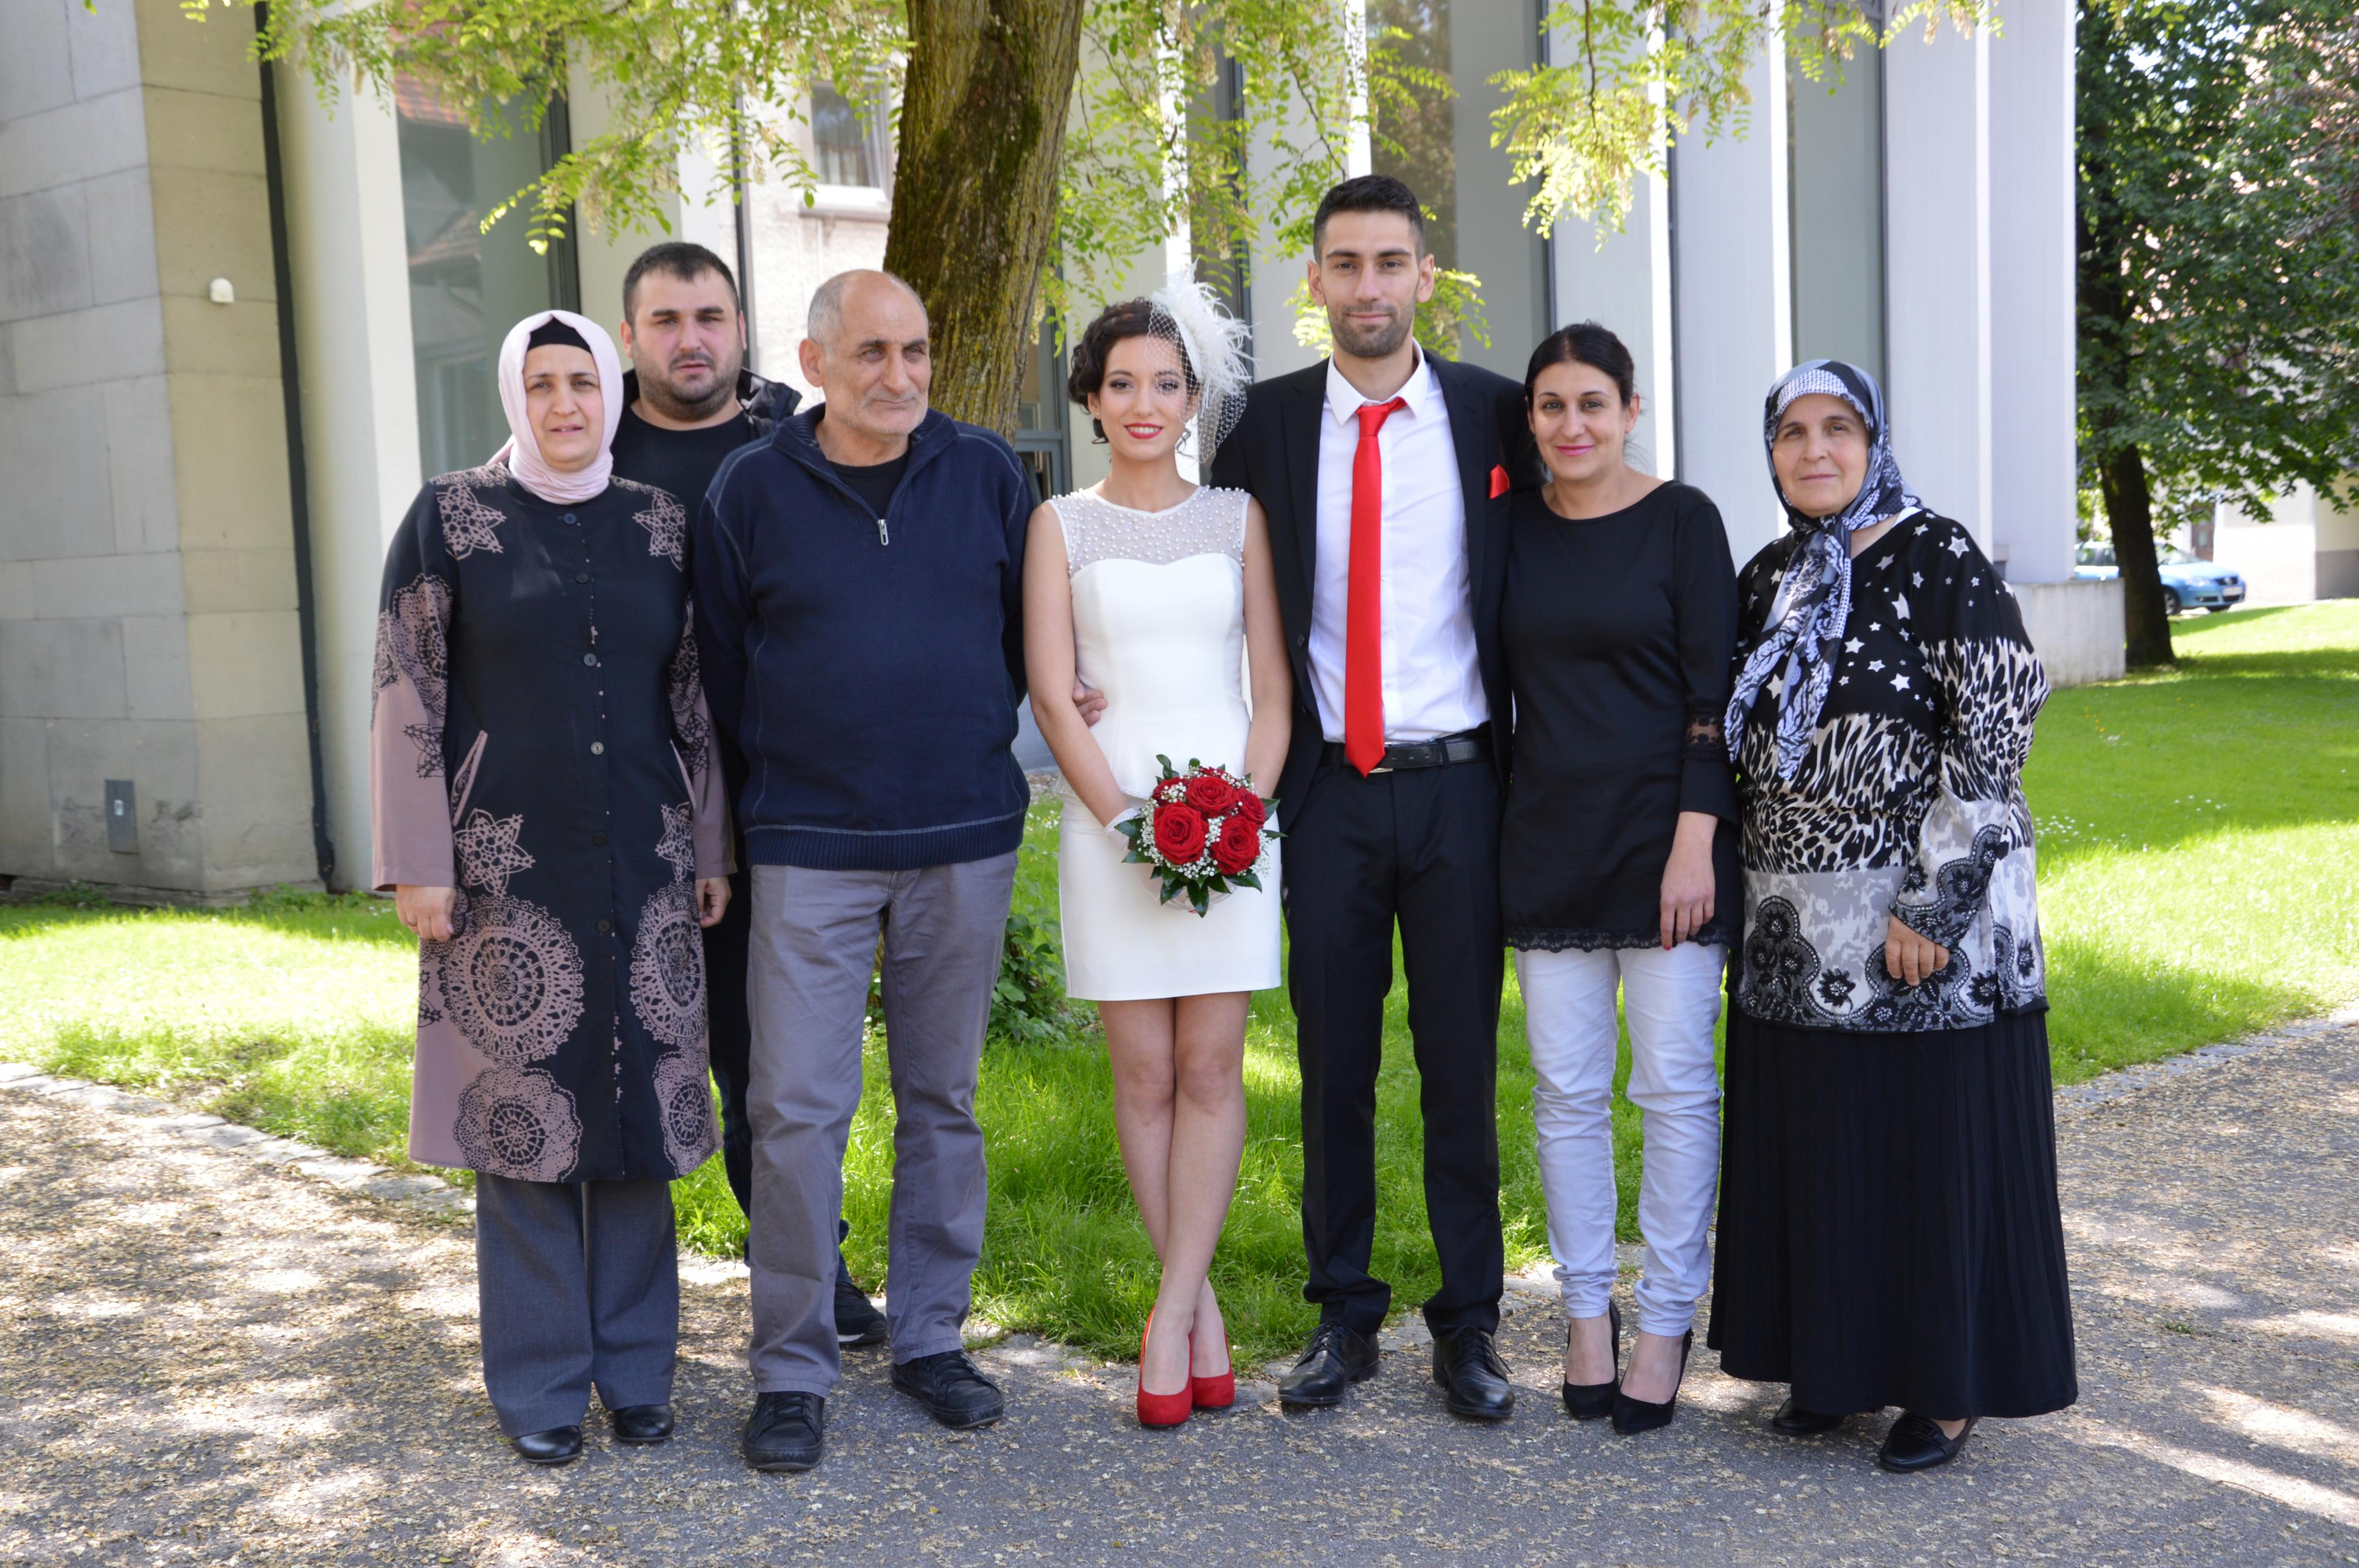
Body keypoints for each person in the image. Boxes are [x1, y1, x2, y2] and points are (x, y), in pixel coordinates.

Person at [370, 309, 733, 1466]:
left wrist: (710, 847)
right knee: (521, 1118)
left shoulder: (659, 523)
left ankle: (636, 1375)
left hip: (648, 865)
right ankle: (537, 1385)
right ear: (512, 397)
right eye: (542, 384)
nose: (565, 403)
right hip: (502, 873)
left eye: (583, 381)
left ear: (610, 395)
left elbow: (691, 693)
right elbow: (407, 688)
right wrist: (419, 860)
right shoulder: (450, 518)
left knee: (636, 1120)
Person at [1706, 359, 2077, 1474]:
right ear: (1770, 452)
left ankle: (1944, 1389)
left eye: (1839, 428)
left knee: (1924, 1153)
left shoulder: (1937, 555)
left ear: (1874, 443)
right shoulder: (1770, 575)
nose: (1814, 450)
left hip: (1920, 927)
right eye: (1792, 432)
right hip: (1795, 929)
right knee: (1828, 1150)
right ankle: (1835, 1371)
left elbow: (1995, 725)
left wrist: (1934, 902)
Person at [695, 269, 1035, 1474]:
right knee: (794, 1110)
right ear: (816, 363)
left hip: (962, 834)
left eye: (917, 350)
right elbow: (724, 671)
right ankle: (792, 1369)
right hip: (809, 846)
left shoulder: (986, 473)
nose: (901, 376)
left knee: (943, 1099)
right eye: (874, 353)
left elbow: (1022, 640)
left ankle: (932, 1338)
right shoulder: (749, 490)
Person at [1209, 174, 1538, 1421]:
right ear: (1314, 281)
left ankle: (1469, 1323)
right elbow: (1211, 589)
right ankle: (1342, 1314)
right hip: (1328, 795)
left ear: (1423, 276)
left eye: (1389, 262)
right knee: (1333, 1063)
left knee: (1459, 1064)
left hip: (1460, 790)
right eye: (1343, 264)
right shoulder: (1261, 426)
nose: (1367, 286)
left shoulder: (1495, 415)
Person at [605, 240, 885, 1351]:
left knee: (770, 1061)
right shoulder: (583, 447)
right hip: (633, 802)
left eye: (710, 317)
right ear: (629, 336)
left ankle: (814, 1270)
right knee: (629, 1052)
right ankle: (615, 1303)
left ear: (741, 326)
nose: (691, 341)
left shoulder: (796, 443)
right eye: (666, 321)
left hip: (781, 804)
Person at [1023, 283, 1289, 1427]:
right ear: (1091, 398)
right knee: (1142, 1075)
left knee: (1211, 1070)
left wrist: (1242, 817)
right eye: (1122, 382)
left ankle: (1172, 1312)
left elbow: (1271, 692)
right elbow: (1053, 693)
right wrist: (1127, 820)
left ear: (1192, 400)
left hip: (1234, 823)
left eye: (1166, 384)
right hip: (1110, 821)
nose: (1145, 402)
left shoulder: (1238, 519)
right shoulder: (1060, 525)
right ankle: (1201, 1313)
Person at [1499, 323, 1738, 1434]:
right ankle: (1586, 1311)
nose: (1573, 425)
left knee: (1675, 1089)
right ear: (1532, 418)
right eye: (1552, 406)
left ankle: (1667, 1318)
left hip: (1667, 850)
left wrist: (1695, 842)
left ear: (1631, 411)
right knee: (1566, 1092)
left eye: (1593, 403)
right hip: (1548, 844)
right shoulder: (1512, 529)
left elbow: (1714, 698)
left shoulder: (1684, 521)